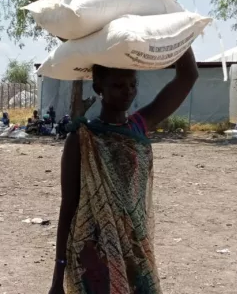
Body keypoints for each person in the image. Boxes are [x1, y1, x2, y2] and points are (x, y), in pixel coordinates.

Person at [48, 48, 198, 294]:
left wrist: (177, 24)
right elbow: (68, 207)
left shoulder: (139, 126)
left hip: (134, 245)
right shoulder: (82, 138)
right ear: (99, 89)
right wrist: (57, 277)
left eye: (132, 84)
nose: (128, 90)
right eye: (118, 85)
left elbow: (188, 76)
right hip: (92, 252)